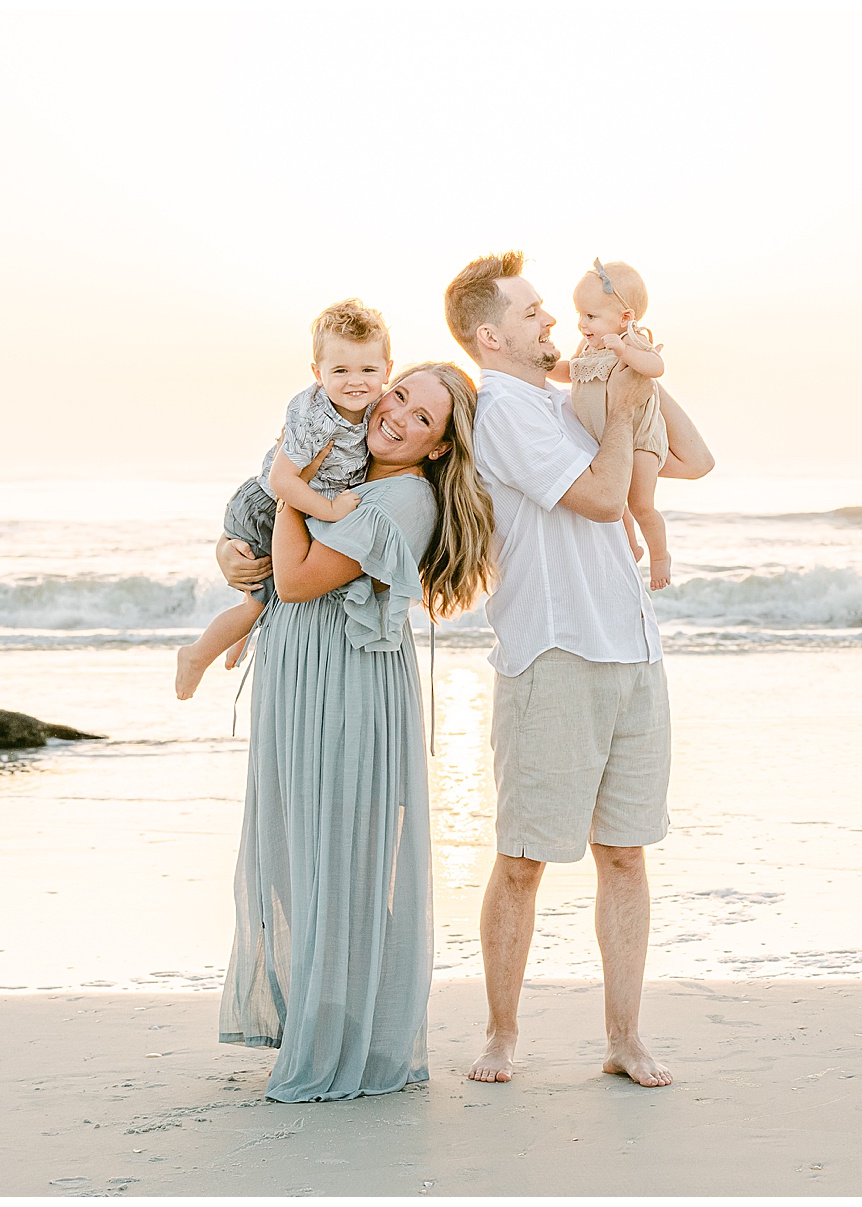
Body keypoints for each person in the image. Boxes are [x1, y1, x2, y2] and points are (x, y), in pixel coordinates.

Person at [442, 250, 713, 1089]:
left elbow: (694, 460)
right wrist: (621, 410)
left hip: (634, 649)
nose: (551, 321)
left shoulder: (572, 401)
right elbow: (601, 498)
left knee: (625, 855)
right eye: (531, 314)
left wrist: (637, 366)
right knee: (524, 858)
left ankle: (625, 1038)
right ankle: (500, 1033)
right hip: (553, 654)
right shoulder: (507, 414)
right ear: (489, 336)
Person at [213, 361, 496, 1103]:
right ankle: (322, 1020)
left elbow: (301, 577)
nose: (398, 413)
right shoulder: (345, 471)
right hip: (306, 675)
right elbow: (265, 569)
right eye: (399, 392)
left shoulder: (402, 496)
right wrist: (232, 550)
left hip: (346, 689)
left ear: (438, 447)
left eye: (423, 417)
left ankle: (345, 1042)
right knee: (308, 853)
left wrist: (286, 488)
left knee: (338, 857)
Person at [175, 299, 393, 700]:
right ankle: (195, 655)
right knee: (258, 602)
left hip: (291, 507)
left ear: (387, 371)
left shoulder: (375, 406)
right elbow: (281, 480)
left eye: (368, 370)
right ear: (317, 373)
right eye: (340, 371)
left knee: (263, 595)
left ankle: (238, 638)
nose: (355, 381)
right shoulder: (316, 419)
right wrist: (329, 509)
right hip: (262, 506)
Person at [544, 259, 674, 589]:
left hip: (640, 438)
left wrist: (624, 350)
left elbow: (655, 367)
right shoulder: (587, 348)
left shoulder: (632, 339)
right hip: (607, 442)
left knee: (641, 504)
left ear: (625, 317)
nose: (581, 323)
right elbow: (569, 371)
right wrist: (541, 367)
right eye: (580, 315)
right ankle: (631, 546)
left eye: (590, 316)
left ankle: (660, 558)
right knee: (617, 503)